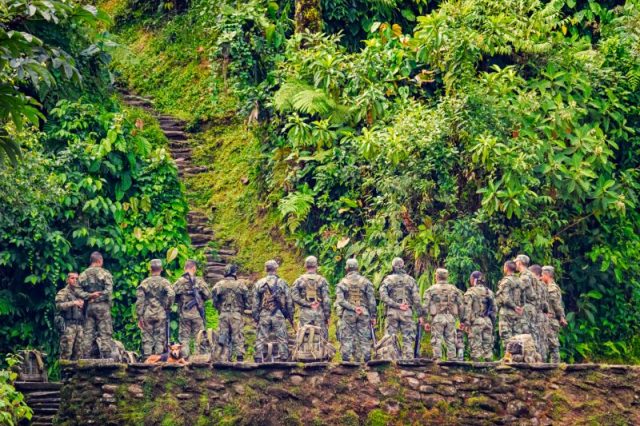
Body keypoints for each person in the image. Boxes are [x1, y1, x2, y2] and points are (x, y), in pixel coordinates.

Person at [379, 257, 422, 359]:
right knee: (408, 338)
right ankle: (408, 362)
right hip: (407, 312)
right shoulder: (411, 280)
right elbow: (416, 299)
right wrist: (420, 314)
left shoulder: (388, 280)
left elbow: (383, 296)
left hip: (392, 312)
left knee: (389, 338)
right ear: (403, 266)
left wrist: (395, 305)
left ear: (393, 267)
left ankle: (389, 361)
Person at [335, 258, 376, 362]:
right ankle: (367, 360)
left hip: (348, 313)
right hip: (363, 312)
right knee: (365, 337)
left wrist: (353, 308)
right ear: (357, 268)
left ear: (347, 268)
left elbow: (340, 301)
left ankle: (346, 361)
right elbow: (372, 301)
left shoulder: (342, 283)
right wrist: (373, 316)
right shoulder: (366, 282)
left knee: (347, 337)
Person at [252, 260, 293, 362]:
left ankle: (258, 357)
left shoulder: (259, 283)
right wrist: (290, 315)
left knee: (261, 336)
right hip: (278, 313)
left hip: (264, 313)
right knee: (282, 337)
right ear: (276, 269)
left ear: (266, 269)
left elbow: (255, 302)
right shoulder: (282, 282)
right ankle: (284, 357)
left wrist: (256, 316)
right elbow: (289, 301)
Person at [75, 252, 114, 359]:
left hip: (90, 307)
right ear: (100, 261)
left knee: (88, 334)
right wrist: (98, 297)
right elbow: (108, 292)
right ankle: (107, 360)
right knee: (105, 333)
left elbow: (77, 290)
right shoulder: (105, 274)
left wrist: (89, 296)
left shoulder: (83, 274)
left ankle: (85, 359)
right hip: (103, 307)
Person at [136, 259, 175, 357]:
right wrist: (168, 306)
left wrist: (139, 316)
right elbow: (171, 294)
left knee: (147, 338)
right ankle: (158, 361)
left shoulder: (145, 282)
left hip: (147, 313)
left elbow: (140, 300)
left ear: (150, 269)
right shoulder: (164, 282)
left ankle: (147, 359)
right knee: (160, 338)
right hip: (161, 313)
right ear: (161, 269)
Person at [422, 268, 463, 361]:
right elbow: (461, 305)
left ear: (436, 276)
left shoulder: (430, 290)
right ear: (446, 277)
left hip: (437, 317)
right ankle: (452, 359)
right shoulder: (454, 289)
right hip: (451, 317)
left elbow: (425, 306)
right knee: (451, 339)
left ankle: (437, 360)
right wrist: (462, 320)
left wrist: (425, 321)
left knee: (436, 339)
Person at [211, 264, 249, 361]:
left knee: (223, 335)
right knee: (237, 335)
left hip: (223, 313)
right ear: (234, 273)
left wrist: (219, 308)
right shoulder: (241, 285)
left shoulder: (218, 285)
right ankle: (239, 357)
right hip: (236, 314)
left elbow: (214, 301)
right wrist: (242, 309)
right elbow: (247, 301)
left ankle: (223, 356)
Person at [174, 260, 211, 358]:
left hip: (184, 314)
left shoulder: (179, 282)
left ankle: (184, 360)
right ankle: (199, 359)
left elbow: (172, 296)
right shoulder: (199, 281)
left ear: (184, 268)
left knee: (184, 339)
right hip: (197, 315)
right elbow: (208, 295)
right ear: (194, 268)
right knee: (199, 338)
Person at [291, 256, 331, 338]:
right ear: (316, 266)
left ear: (305, 266)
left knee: (304, 336)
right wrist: (327, 316)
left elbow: (294, 296)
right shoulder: (322, 280)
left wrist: (306, 304)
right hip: (319, 313)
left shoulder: (299, 281)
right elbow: (326, 300)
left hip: (305, 313)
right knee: (322, 338)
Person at [462, 271, 496, 361]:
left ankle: (477, 369)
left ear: (473, 279)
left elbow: (467, 309)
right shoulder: (490, 292)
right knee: (488, 348)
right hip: (488, 321)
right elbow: (494, 309)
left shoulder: (471, 292)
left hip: (476, 321)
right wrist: (493, 322)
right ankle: (489, 368)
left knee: (475, 347)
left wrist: (466, 323)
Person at [55, 272, 84, 360]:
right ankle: (64, 373)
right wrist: (73, 303)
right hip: (68, 326)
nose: (75, 280)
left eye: (76, 278)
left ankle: (76, 374)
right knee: (66, 353)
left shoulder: (80, 293)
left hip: (79, 326)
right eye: (72, 278)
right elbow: (58, 306)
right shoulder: (63, 292)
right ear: (67, 280)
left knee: (79, 354)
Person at [541, 266, 567, 363]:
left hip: (551, 320)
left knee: (553, 344)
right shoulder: (546, 287)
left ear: (547, 275)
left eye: (542, 275)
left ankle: (556, 366)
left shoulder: (552, 288)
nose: (541, 277)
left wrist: (561, 317)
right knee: (546, 344)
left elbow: (556, 304)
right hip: (548, 319)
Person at [495, 260, 523, 348]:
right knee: (517, 336)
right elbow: (523, 297)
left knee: (506, 336)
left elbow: (506, 299)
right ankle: (517, 358)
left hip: (507, 312)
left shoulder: (506, 281)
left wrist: (514, 307)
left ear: (506, 268)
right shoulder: (519, 280)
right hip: (518, 312)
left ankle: (508, 357)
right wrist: (519, 307)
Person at [529, 264, 550, 360]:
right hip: (542, 315)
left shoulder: (532, 284)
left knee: (534, 338)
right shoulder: (543, 285)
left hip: (535, 314)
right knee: (542, 340)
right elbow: (545, 304)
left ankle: (536, 360)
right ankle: (543, 360)